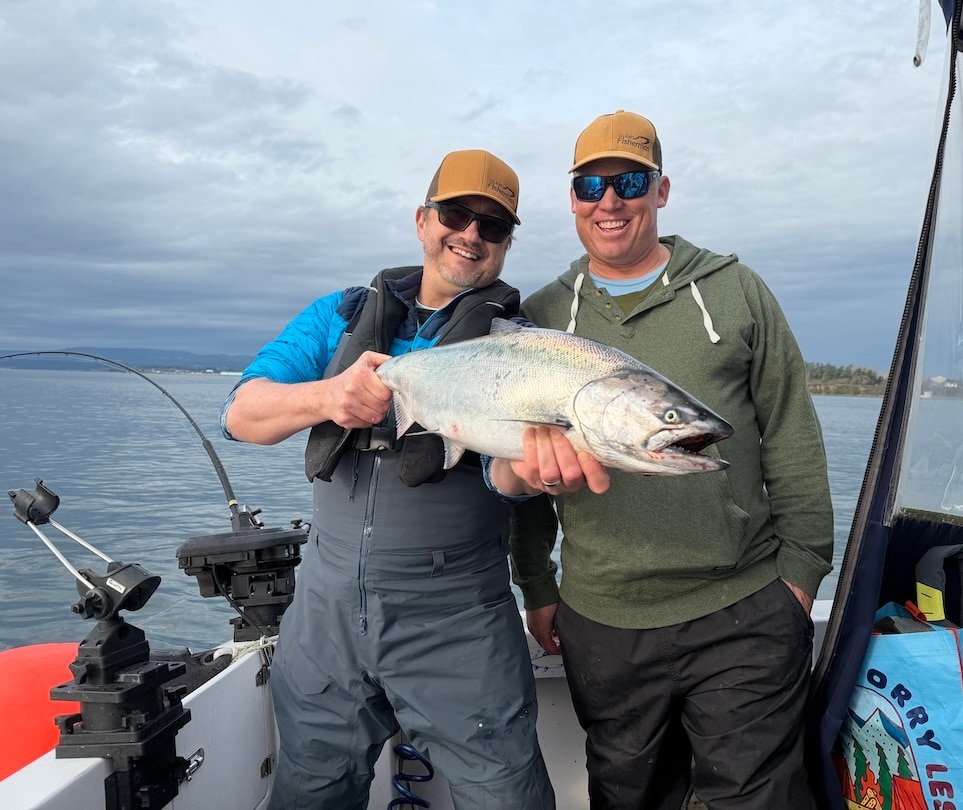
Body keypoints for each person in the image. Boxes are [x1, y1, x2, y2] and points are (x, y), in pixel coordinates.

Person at [221, 148, 605, 809]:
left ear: (507, 243)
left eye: (494, 226)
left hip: (458, 620)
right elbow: (243, 413)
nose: (472, 235)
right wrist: (326, 398)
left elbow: (508, 481)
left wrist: (537, 472)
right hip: (324, 614)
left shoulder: (521, 350)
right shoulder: (337, 316)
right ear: (423, 221)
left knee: (505, 795)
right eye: (457, 214)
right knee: (310, 789)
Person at [509, 110, 835, 809]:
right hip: (605, 619)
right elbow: (525, 466)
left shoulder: (735, 292)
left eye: (628, 180)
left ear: (661, 189)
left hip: (744, 605)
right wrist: (537, 584)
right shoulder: (538, 319)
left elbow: (790, 433)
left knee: (762, 799)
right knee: (631, 798)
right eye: (589, 184)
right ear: (570, 198)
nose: (609, 201)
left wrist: (802, 572)